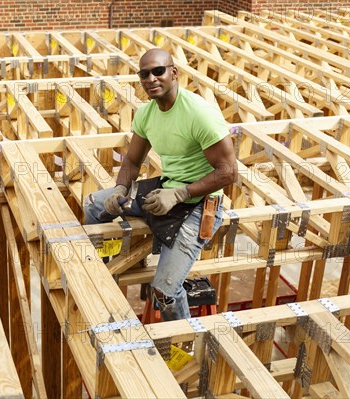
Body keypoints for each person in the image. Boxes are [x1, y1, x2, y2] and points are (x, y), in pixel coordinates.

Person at [84, 48, 237, 321]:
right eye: (144, 74)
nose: (151, 79)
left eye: (158, 71)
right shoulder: (146, 114)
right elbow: (131, 161)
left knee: (164, 293)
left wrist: (180, 193)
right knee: (94, 205)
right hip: (164, 191)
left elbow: (228, 172)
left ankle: (180, 346)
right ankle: (100, 275)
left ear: (173, 72)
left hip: (199, 205)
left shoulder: (199, 113)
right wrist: (121, 188)